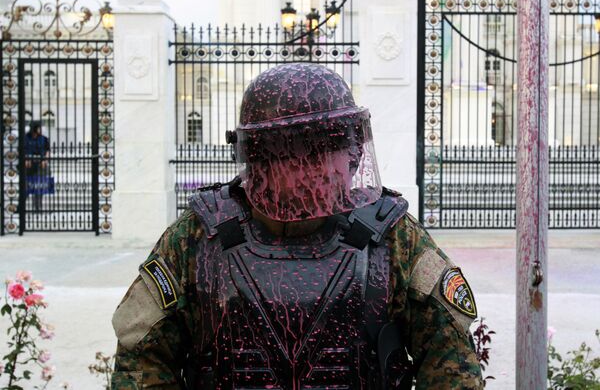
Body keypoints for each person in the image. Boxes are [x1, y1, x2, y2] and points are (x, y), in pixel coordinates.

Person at [111, 64, 483, 389]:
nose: (315, 169)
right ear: (257, 158)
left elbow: (450, 364)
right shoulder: (200, 234)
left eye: (328, 149)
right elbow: (142, 359)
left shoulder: (392, 235)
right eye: (295, 155)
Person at [24, 121, 50, 212]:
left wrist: (45, 160)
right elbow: (22, 150)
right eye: (38, 128)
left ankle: (38, 207)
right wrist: (25, 159)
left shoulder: (43, 138)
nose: (40, 129)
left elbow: (47, 150)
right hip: (29, 165)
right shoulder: (25, 138)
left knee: (39, 187)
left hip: (40, 165)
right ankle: (20, 207)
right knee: (26, 187)